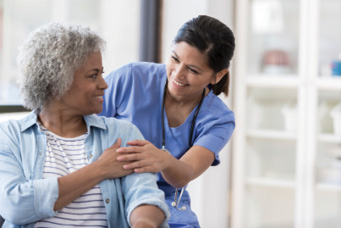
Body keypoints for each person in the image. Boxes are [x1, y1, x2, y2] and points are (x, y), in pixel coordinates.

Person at [0, 22, 170, 228]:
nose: (104, 84)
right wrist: (99, 169)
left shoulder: (122, 134)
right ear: (56, 84)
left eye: (102, 73)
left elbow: (144, 195)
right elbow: (14, 206)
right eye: (93, 75)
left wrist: (144, 224)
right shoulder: (10, 136)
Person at [99, 15, 235, 228]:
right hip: (107, 189)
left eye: (192, 70)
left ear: (217, 76)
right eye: (174, 59)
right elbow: (81, 127)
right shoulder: (131, 78)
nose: (177, 74)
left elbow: (184, 175)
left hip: (167, 203)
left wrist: (163, 160)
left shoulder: (219, 119)